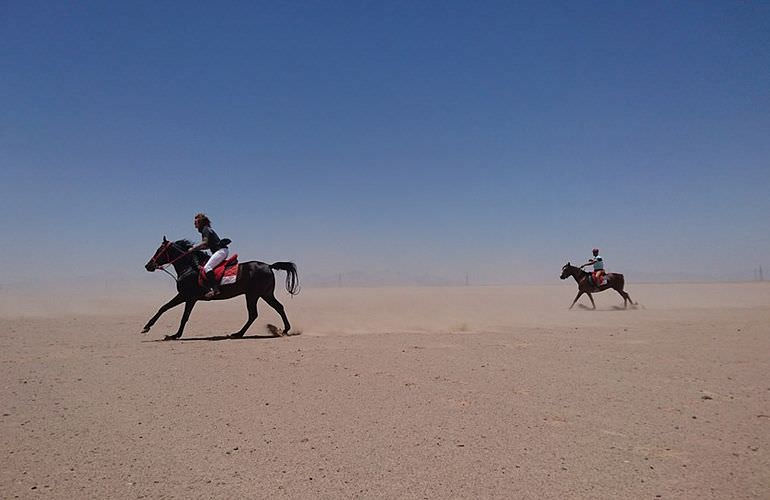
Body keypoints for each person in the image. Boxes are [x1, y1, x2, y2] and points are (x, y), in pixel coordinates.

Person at [191, 213, 229, 298]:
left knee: (207, 267)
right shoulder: (207, 229)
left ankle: (215, 290)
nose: (194, 224)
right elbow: (207, 246)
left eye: (196, 222)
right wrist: (197, 249)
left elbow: (204, 242)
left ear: (201, 222)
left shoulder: (205, 230)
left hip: (220, 251)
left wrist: (193, 248)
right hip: (221, 251)